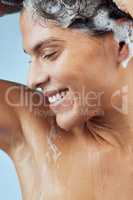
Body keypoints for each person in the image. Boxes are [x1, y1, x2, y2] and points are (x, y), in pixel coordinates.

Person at [0, 0, 133, 199]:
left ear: (120, 40)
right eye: (30, 59)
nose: (33, 80)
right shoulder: (33, 128)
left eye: (49, 54)